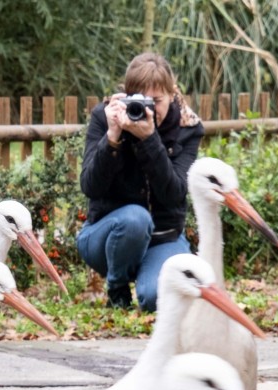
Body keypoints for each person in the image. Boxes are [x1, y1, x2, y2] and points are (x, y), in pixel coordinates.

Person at [76, 52, 203, 312]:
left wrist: (149, 140)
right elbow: (90, 186)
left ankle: (147, 278)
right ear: (127, 95)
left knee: (157, 299)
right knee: (136, 219)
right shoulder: (106, 116)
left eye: (156, 100)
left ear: (172, 93)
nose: (148, 110)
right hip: (107, 236)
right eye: (141, 100)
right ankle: (117, 288)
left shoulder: (187, 127)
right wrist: (112, 137)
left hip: (163, 238)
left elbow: (175, 193)